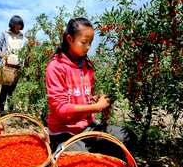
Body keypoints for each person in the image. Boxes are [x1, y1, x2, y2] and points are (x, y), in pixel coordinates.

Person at [46, 17, 130, 155]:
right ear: (69, 39)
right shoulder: (56, 67)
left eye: (90, 43)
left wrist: (94, 99)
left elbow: (83, 96)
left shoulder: (87, 65)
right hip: (64, 131)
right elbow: (60, 108)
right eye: (84, 42)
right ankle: (60, 148)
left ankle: (89, 149)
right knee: (79, 160)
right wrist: (95, 107)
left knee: (126, 136)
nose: (88, 47)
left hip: (87, 128)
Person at [0, 15, 25, 115]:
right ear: (12, 25)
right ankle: (1, 110)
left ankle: (11, 110)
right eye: (16, 25)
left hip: (18, 66)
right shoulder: (5, 34)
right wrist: (2, 56)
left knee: (12, 89)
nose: (18, 27)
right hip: (7, 65)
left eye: (20, 25)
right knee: (5, 88)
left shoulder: (22, 36)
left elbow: (24, 50)